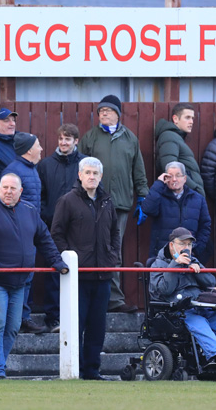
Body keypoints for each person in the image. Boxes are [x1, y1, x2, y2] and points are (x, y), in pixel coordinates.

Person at [0, 173, 68, 380]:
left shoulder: (30, 211)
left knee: (14, 326)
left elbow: (45, 239)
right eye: (4, 187)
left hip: (20, 282)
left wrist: (58, 263)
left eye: (12, 188)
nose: (8, 191)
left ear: (20, 191)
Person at [51, 157, 120, 380]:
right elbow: (57, 234)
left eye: (95, 173)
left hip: (103, 276)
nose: (91, 176)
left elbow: (115, 233)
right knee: (76, 325)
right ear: (79, 175)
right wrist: (70, 261)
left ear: (101, 177)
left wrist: (112, 257)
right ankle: (75, 369)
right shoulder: (67, 201)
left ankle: (92, 370)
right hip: (78, 277)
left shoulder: (108, 201)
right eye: (87, 172)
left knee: (97, 326)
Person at [78, 94, 148, 312]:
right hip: (93, 202)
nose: (103, 114)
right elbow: (78, 169)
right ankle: (94, 298)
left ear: (117, 113)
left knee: (113, 250)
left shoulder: (130, 139)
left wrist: (143, 196)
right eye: (100, 111)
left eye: (107, 110)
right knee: (92, 248)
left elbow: (138, 170)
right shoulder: (90, 137)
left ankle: (114, 299)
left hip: (120, 204)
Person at [37, 123, 87, 332]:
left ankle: (78, 317)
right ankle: (53, 317)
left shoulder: (85, 164)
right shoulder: (46, 165)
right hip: (53, 227)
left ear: (76, 141)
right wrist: (47, 216)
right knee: (54, 271)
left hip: (80, 227)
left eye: (68, 139)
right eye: (61, 139)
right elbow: (40, 195)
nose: (63, 143)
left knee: (81, 271)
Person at [149, 227, 216, 366]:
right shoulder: (158, 264)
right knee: (199, 322)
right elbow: (165, 290)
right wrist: (176, 264)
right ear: (172, 245)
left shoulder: (193, 260)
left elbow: (211, 283)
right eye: (182, 244)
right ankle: (214, 355)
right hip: (177, 312)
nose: (187, 248)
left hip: (201, 306)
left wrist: (197, 270)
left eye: (189, 245)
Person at [2, 132, 46, 334]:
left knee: (27, 274)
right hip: (19, 233)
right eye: (38, 145)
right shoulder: (15, 171)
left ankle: (22, 317)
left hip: (29, 230)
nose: (41, 149)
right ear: (29, 150)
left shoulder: (31, 170)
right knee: (22, 276)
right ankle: (20, 318)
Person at [141, 162, 210, 260]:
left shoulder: (198, 199)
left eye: (178, 176)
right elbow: (147, 209)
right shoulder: (159, 195)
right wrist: (159, 183)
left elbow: (205, 226)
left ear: (185, 179)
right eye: (170, 176)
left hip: (189, 255)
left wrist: (196, 249)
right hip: (162, 255)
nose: (174, 179)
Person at [155, 103, 203, 195]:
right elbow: (171, 168)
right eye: (187, 117)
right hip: (181, 196)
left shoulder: (176, 137)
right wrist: (195, 188)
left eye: (192, 118)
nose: (191, 122)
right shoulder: (169, 137)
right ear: (175, 119)